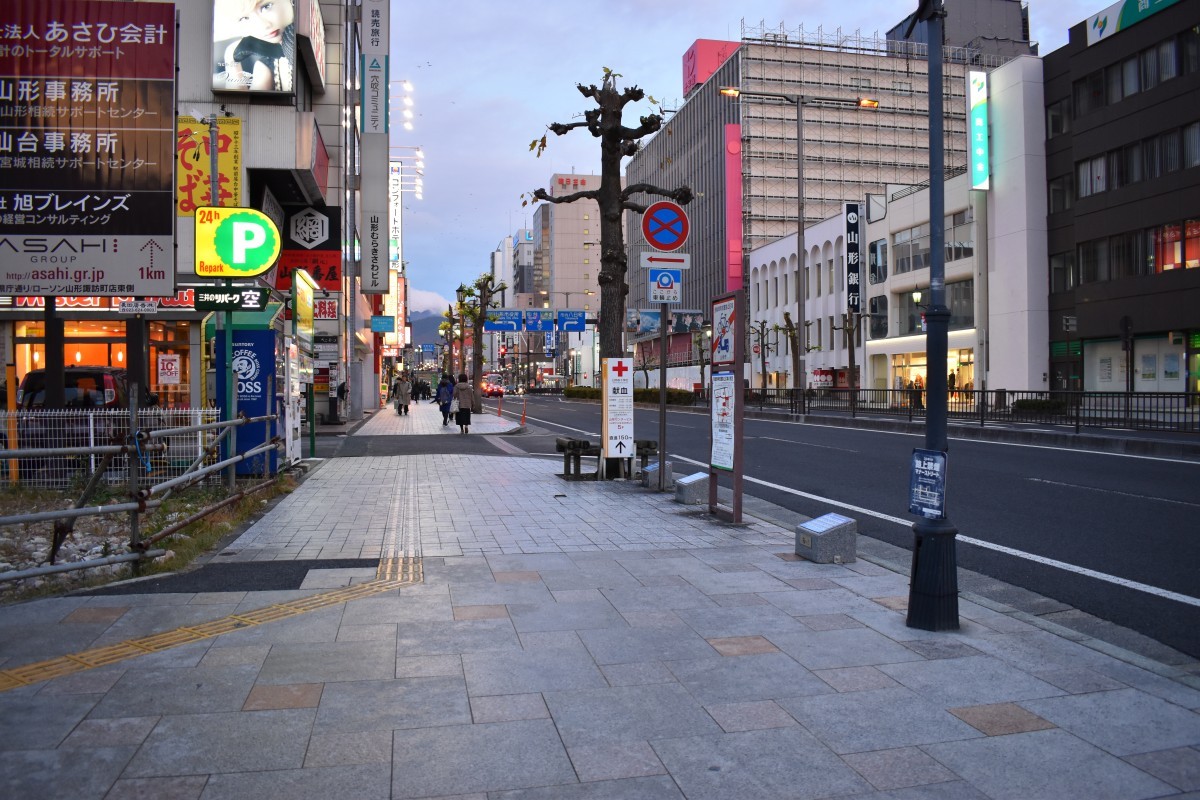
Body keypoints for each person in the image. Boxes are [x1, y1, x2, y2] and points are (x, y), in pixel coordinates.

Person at [213, 0, 296, 93]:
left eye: (266, 6)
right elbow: (239, 105)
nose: (263, 26)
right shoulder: (266, 66)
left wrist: (289, 39)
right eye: (244, 18)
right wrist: (230, 56)